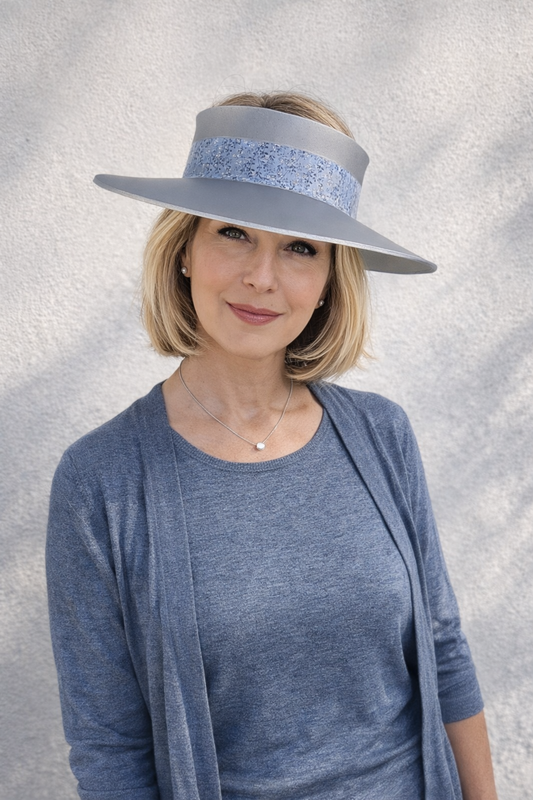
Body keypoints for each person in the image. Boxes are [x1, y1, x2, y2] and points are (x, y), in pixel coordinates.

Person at [46, 92, 498, 800]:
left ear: (325, 282)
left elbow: (443, 652)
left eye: (298, 247)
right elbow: (109, 746)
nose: (262, 276)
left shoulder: (381, 437)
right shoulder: (102, 480)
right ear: (186, 249)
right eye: (234, 233)